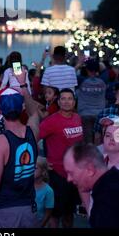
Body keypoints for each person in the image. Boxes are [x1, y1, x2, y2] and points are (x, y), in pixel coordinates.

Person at [0, 84, 39, 228]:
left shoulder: (1, 140)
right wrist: (23, 86)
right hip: (29, 208)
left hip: (4, 210)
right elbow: (34, 113)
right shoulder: (32, 131)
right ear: (22, 108)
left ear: (0, 110)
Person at [38, 88, 83, 228]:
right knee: (55, 215)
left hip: (74, 174)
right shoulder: (51, 121)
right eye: (63, 98)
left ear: (74, 102)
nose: (66, 101)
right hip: (58, 174)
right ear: (58, 101)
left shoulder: (77, 118)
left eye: (70, 98)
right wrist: (40, 160)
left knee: (69, 214)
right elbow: (32, 139)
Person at [63, 142, 119, 228]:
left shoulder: (106, 206)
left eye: (71, 173)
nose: (69, 179)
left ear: (90, 170)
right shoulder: (116, 180)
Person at [76, 60, 106, 143]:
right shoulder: (103, 80)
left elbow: (71, 73)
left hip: (85, 114)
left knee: (87, 140)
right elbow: (105, 69)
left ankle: (88, 155)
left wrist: (80, 64)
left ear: (87, 70)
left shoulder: (81, 80)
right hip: (100, 114)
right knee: (99, 140)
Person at [34, 156, 54, 228]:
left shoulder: (48, 191)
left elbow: (48, 213)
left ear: (43, 171)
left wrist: (40, 225)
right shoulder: (25, 186)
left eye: (35, 168)